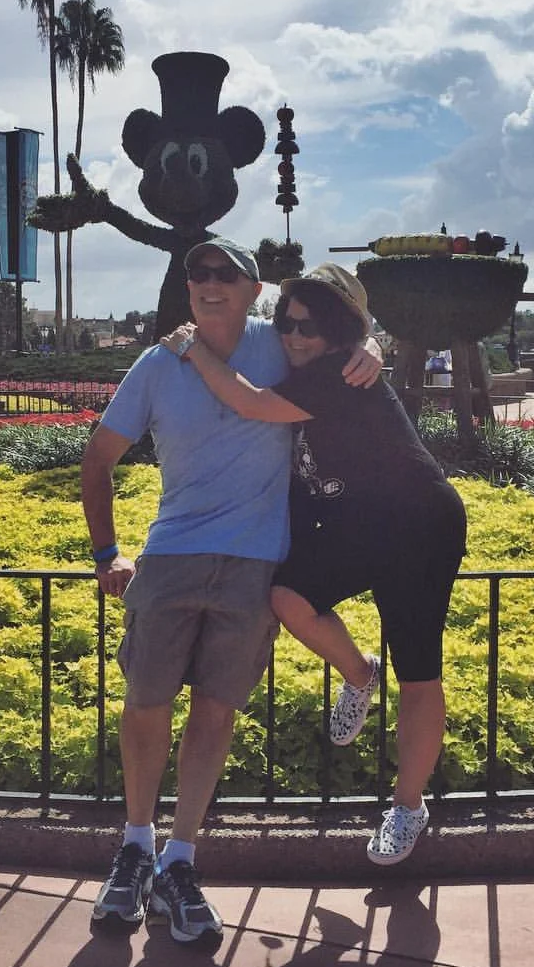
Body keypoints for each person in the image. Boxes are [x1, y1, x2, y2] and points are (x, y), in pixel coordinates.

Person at [82, 238, 382, 948]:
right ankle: (135, 847)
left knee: (216, 713)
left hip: (254, 563)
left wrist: (375, 348)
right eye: (198, 273)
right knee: (146, 705)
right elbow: (98, 460)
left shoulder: (282, 348)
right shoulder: (157, 364)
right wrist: (106, 553)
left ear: (254, 291)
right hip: (171, 556)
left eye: (225, 273)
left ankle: (179, 861)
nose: (208, 282)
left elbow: (346, 341)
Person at [163, 263, 467, 867]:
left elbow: (250, 403)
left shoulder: (338, 372)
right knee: (289, 595)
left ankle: (408, 806)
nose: (295, 336)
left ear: (338, 334)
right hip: (357, 524)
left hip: (418, 526)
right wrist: (372, 342)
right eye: (288, 322)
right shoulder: (314, 364)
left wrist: (194, 350)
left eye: (311, 327)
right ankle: (359, 673)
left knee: (419, 672)